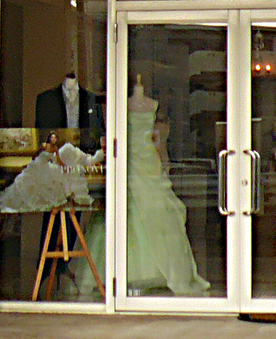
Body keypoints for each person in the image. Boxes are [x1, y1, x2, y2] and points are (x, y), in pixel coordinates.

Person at [71, 75, 210, 297]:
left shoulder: (153, 104)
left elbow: (157, 139)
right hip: (129, 157)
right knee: (128, 209)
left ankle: (159, 271)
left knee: (156, 209)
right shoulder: (123, 103)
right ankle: (119, 270)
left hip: (147, 158)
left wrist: (163, 162)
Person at [0, 131, 105, 213]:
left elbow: (57, 160)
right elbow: (38, 154)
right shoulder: (45, 146)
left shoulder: (56, 149)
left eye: (55, 138)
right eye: (52, 138)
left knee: (45, 183)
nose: (53, 139)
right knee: (27, 179)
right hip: (39, 163)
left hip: (47, 166)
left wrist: (64, 167)